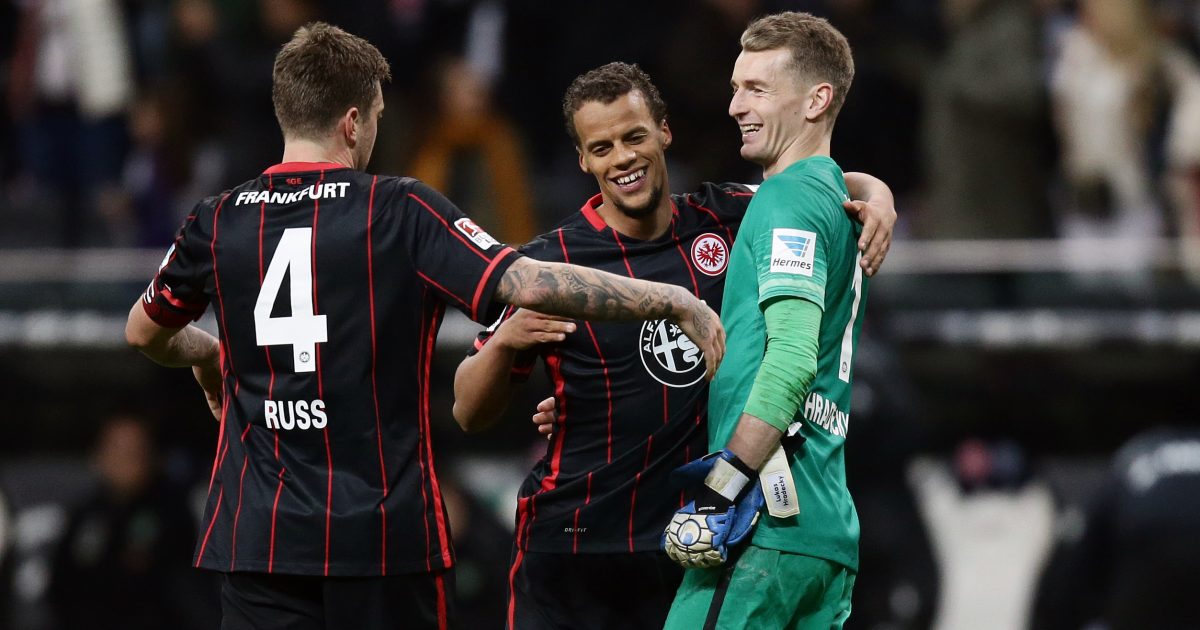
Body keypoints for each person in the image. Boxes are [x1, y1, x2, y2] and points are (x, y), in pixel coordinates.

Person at [123, 23, 725, 630]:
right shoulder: (399, 209)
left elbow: (143, 332)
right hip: (383, 539)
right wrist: (674, 300)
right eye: (379, 115)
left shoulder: (216, 219)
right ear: (354, 122)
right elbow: (532, 284)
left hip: (258, 538)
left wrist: (208, 355)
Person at [452, 62, 894, 629]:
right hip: (571, 546)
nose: (622, 159)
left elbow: (812, 180)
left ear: (664, 131)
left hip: (687, 541)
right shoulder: (553, 264)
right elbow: (467, 408)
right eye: (602, 147)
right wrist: (505, 342)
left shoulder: (727, 215)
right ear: (584, 159)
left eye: (634, 137)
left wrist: (875, 195)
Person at [660, 12, 868, 629]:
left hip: (765, 529)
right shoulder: (834, 197)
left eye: (757, 89)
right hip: (822, 532)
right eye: (734, 87)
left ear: (816, 100)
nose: (735, 106)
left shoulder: (788, 201)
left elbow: (792, 358)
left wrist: (721, 486)